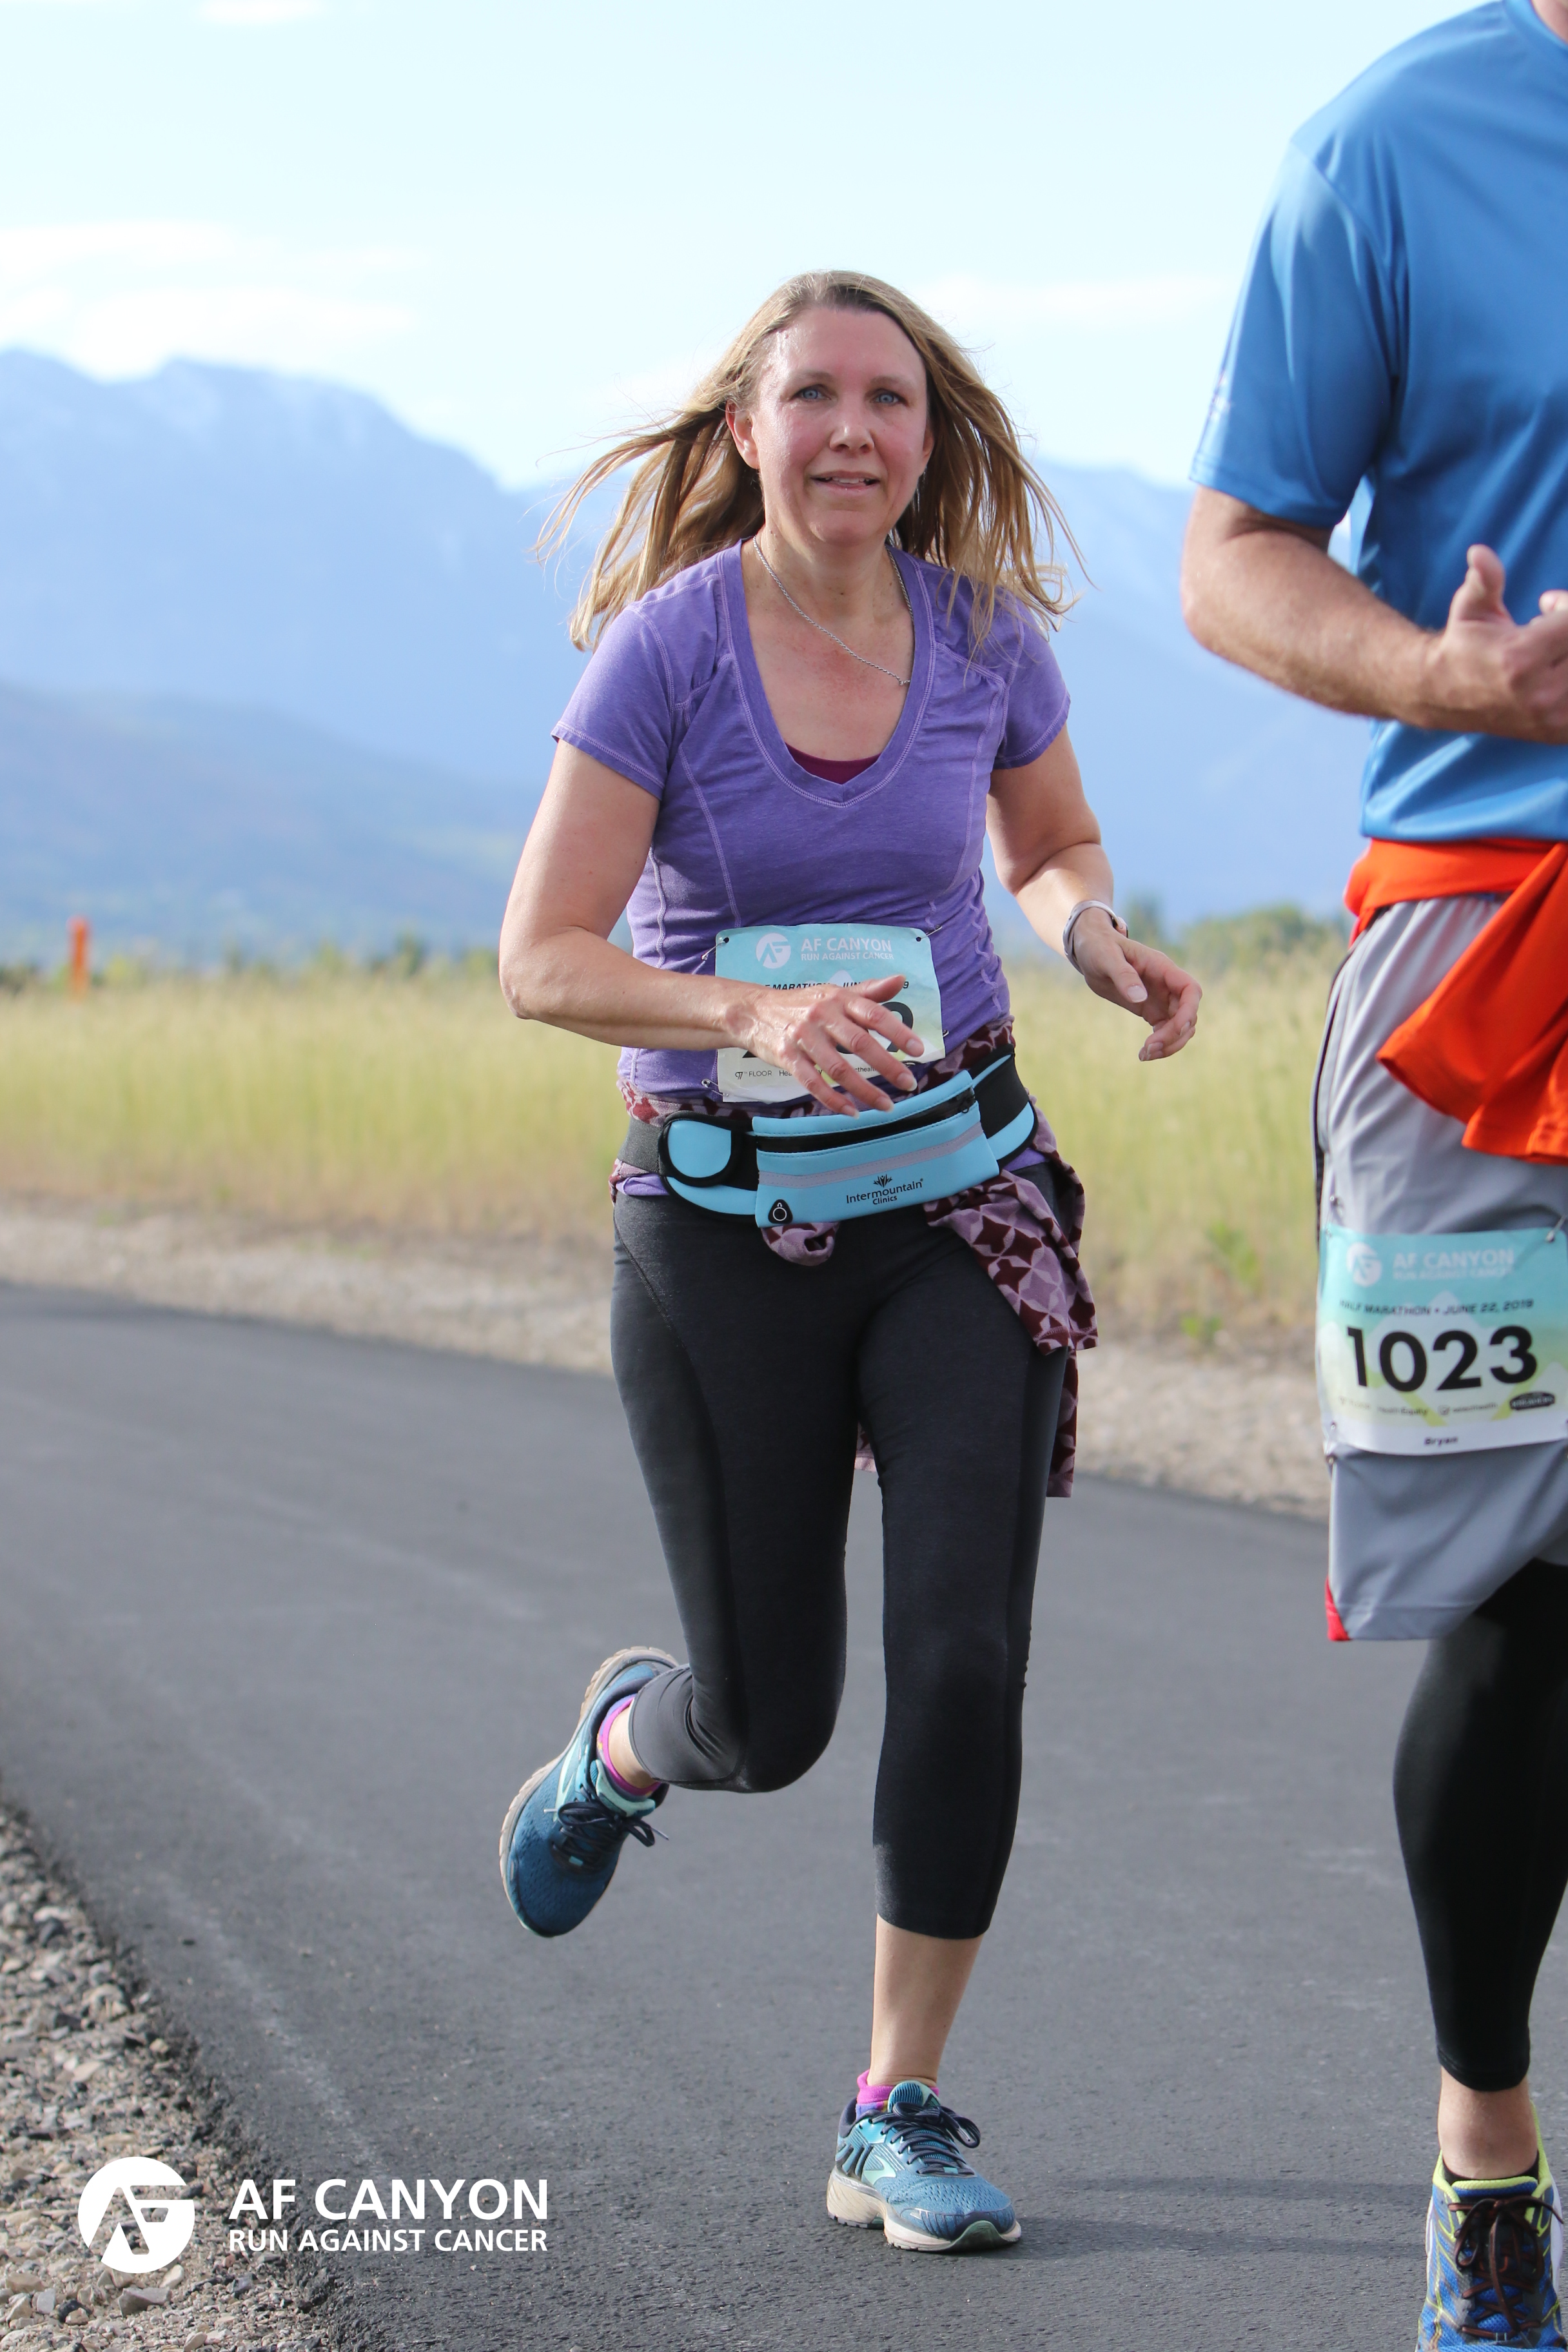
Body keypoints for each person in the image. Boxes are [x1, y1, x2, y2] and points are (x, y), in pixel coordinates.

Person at [497, 270, 1200, 2254]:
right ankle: (632, 1743)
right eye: (814, 396)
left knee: (965, 1653)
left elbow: (1046, 846)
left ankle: (896, 2104)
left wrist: (1093, 939)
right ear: (749, 431)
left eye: (891, 399)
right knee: (772, 1718)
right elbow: (542, 959)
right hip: (720, 1229)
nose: (855, 432)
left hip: (958, 1207)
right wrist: (750, 1016)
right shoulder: (668, 652)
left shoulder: (982, 635)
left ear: (927, 434)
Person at [1181, 4, 1568, 2342]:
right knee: (1525, 1591)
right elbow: (1232, 552)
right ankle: (1486, 2154)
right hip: (1474, 973)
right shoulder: (1397, 143)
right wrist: (1448, 676)